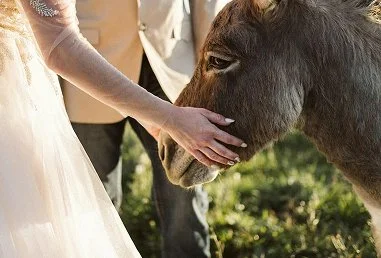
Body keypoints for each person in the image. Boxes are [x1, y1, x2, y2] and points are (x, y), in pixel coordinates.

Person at [0, 0, 245, 257]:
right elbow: (61, 47)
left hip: (169, 57)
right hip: (57, 75)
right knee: (85, 204)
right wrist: (169, 118)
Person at [60, 1, 231, 257]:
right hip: (93, 59)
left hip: (172, 59)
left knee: (184, 191)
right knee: (95, 192)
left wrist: (210, 59)